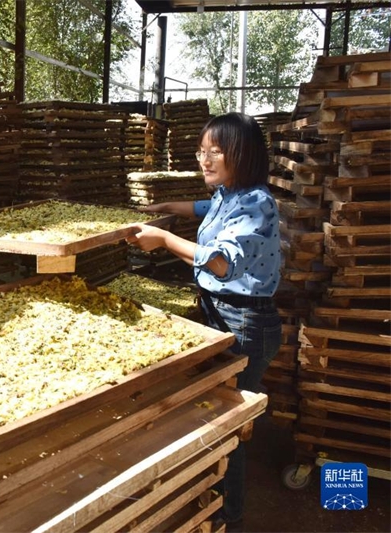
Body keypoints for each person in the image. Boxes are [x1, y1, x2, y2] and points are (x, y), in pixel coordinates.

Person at [125, 112, 282, 532]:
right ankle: (215, 487)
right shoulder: (228, 194)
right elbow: (203, 208)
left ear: (242, 155)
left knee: (224, 417)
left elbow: (220, 262)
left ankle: (229, 513)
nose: (205, 159)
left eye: (216, 151)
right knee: (215, 408)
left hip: (245, 322)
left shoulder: (256, 202)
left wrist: (163, 239)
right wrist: (165, 208)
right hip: (221, 314)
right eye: (202, 150)